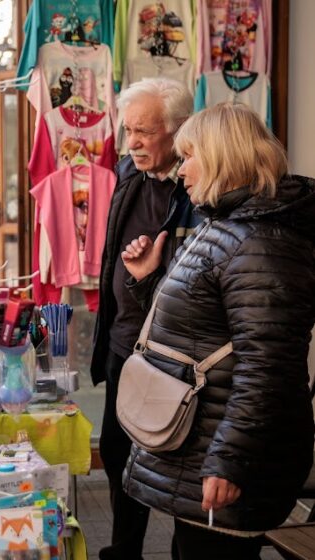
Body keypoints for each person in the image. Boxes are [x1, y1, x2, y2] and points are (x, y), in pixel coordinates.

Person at [119, 102, 315, 559]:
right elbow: (198, 329)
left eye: (189, 157)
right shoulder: (230, 225)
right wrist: (149, 279)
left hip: (223, 454)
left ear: (223, 157)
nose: (181, 170)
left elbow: (269, 368)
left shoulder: (261, 241)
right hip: (202, 443)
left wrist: (230, 462)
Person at [89, 77, 199, 560]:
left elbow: (194, 283)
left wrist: (145, 277)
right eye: (127, 129)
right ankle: (125, 548)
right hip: (124, 341)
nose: (131, 142)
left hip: (174, 353)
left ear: (177, 131)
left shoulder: (201, 190)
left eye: (144, 132)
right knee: (117, 451)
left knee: (176, 461)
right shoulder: (127, 173)